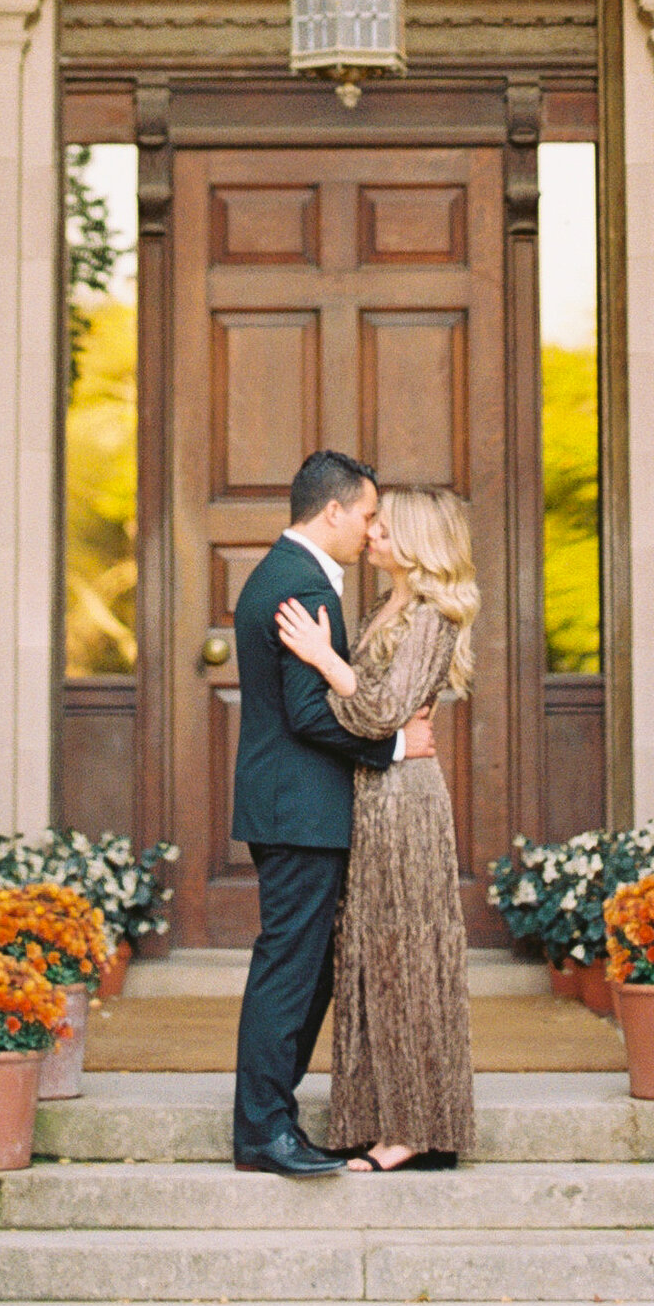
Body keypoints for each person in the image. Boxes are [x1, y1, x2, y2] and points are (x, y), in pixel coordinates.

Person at [227, 448, 426, 1177]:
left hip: (293, 809)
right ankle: (262, 1132)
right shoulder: (304, 587)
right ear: (334, 510)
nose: (371, 530)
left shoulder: (287, 574)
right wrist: (396, 745)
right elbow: (311, 715)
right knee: (291, 971)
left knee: (304, 972)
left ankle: (272, 1121)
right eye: (368, 514)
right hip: (299, 812)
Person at [274, 482, 479, 1171]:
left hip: (404, 798)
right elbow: (377, 715)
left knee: (406, 955)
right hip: (372, 791)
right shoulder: (386, 607)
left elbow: (380, 712)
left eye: (388, 528)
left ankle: (417, 1127)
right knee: (367, 957)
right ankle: (374, 1118)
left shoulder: (432, 612)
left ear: (420, 541)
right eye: (375, 523)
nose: (373, 534)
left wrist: (323, 659)